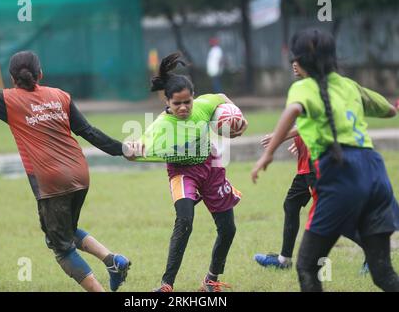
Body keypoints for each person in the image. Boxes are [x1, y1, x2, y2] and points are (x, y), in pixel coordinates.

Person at [0, 33, 135, 292]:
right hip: (81, 175)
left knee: (59, 246)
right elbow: (89, 132)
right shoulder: (60, 95)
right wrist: (122, 149)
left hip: (52, 182)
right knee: (66, 230)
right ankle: (113, 260)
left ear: (13, 78)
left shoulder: (7, 99)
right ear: (41, 73)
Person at [251, 28, 399, 292]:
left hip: (341, 174)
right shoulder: (349, 85)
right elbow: (388, 111)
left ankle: (285, 258)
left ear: (302, 60)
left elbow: (294, 109)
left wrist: (268, 152)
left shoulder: (303, 87)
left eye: (295, 58)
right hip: (376, 174)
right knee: (383, 273)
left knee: (307, 266)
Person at [253, 60, 375, 274]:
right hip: (306, 161)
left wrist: (279, 136)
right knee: (291, 205)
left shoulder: (317, 88)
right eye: (292, 59)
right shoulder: (305, 87)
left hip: (317, 162)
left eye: (298, 59)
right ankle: (284, 260)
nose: (293, 64)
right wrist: (299, 140)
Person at [141, 52, 247, 292]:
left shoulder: (202, 106)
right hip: (181, 173)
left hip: (211, 168)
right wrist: (134, 148)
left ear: (193, 98)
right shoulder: (161, 125)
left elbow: (220, 97)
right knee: (185, 221)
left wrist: (240, 117)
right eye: (176, 103)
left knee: (228, 228)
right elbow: (141, 145)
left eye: (187, 102)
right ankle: (166, 284)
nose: (183, 107)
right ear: (166, 101)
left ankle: (211, 280)